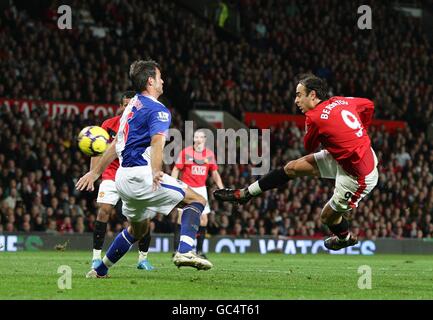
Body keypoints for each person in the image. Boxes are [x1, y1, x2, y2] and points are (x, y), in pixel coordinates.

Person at [76, 59, 212, 278]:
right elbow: (157, 142)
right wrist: (156, 170)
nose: (163, 80)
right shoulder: (159, 110)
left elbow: (115, 145)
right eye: (159, 77)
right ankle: (186, 251)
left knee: (137, 230)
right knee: (197, 200)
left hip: (123, 179)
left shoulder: (132, 105)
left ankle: (100, 270)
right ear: (151, 81)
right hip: (141, 175)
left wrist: (95, 172)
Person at [214, 74, 379, 251]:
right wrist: (361, 131)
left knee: (327, 217)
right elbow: (369, 105)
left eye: (299, 95)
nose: (296, 100)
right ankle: (246, 194)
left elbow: (309, 146)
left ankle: (344, 238)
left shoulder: (314, 117)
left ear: (313, 95)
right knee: (292, 168)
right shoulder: (340, 100)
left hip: (358, 175)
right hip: (348, 156)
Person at [90, 91, 154, 271]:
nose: (127, 108)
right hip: (111, 173)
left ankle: (143, 259)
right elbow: (98, 151)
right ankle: (96, 257)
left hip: (133, 173)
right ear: (120, 107)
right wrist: (93, 173)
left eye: (130, 105)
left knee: (144, 218)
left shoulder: (142, 126)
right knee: (103, 210)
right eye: (124, 105)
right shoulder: (107, 125)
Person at [171, 129, 224, 259]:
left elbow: (215, 173)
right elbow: (176, 169)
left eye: (201, 137)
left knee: (204, 220)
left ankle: (199, 251)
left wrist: (221, 188)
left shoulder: (209, 155)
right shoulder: (186, 152)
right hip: (186, 188)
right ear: (193, 139)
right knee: (180, 217)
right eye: (196, 137)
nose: (198, 139)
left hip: (201, 189)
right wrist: (173, 185)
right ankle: (176, 250)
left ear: (205, 139)